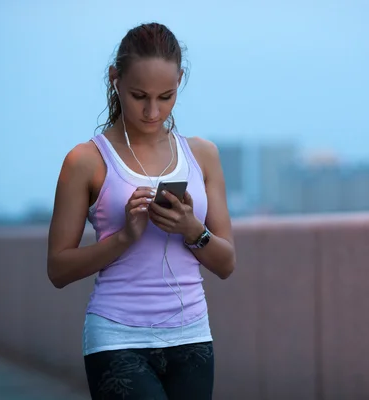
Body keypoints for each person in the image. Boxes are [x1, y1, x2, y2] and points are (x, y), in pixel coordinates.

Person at [46, 22, 236, 400]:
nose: (152, 111)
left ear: (180, 80)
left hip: (193, 337)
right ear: (115, 79)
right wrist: (126, 237)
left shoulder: (203, 156)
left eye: (166, 96)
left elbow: (226, 263)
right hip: (117, 339)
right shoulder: (86, 160)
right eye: (139, 96)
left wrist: (190, 228)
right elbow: (58, 269)